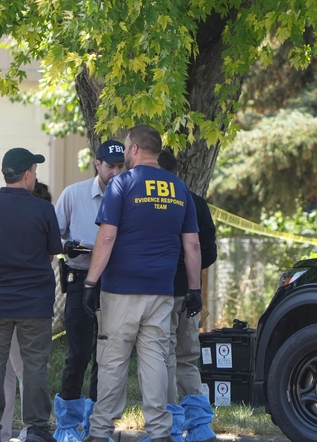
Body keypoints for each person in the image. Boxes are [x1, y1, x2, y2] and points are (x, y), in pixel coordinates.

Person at [84, 125, 202, 442]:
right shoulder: (179, 188)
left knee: (112, 360)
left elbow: (107, 236)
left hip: (121, 289)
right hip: (161, 291)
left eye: (125, 147)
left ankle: (99, 432)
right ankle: (161, 432)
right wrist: (195, 290)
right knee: (155, 361)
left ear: (134, 149)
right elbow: (192, 245)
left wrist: (90, 282)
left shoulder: (121, 184)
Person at [0, 148, 62, 442]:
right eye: (35, 170)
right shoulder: (44, 210)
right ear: (28, 174)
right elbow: (50, 256)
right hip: (35, 303)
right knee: (34, 366)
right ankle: (36, 430)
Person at [52, 140, 125, 442]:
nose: (116, 172)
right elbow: (53, 237)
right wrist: (66, 247)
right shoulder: (74, 194)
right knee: (78, 353)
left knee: (107, 357)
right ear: (97, 164)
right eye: (111, 166)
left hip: (117, 282)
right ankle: (67, 425)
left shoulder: (130, 196)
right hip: (81, 279)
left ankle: (97, 426)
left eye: (121, 166)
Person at [157, 150, 217, 442]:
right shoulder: (197, 202)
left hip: (160, 291)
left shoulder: (152, 202)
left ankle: (169, 426)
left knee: (165, 355)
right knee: (188, 357)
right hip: (189, 292)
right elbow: (209, 251)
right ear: (179, 174)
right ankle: (200, 425)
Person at [0, 180, 54, 442]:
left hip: (4, 304)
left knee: (13, 371)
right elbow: (52, 256)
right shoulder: (41, 221)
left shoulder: (11, 221)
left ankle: (12, 430)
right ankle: (23, 430)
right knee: (20, 370)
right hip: (31, 304)